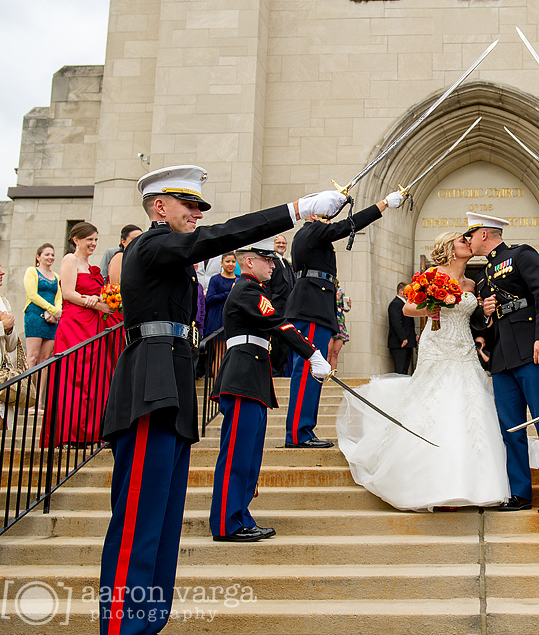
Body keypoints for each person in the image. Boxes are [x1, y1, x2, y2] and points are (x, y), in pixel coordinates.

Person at [98, 163, 346, 635]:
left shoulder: (172, 255)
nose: (195, 213)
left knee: (165, 523)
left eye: (197, 206)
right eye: (187, 205)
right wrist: (295, 211)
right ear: (158, 207)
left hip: (170, 379)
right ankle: (122, 628)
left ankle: (147, 623)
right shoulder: (151, 244)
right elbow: (217, 237)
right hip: (150, 381)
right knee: (138, 519)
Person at [337, 232, 510, 511]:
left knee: (470, 406)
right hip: (437, 346)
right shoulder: (432, 275)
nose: (468, 243)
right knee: (436, 404)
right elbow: (407, 308)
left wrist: (486, 312)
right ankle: (432, 481)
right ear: (449, 248)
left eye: (468, 240)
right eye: (462, 241)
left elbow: (476, 322)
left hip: (463, 348)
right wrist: (431, 308)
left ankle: (473, 482)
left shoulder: (472, 282)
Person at [210, 240, 322, 541]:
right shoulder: (248, 290)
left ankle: (240, 515)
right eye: (266, 261)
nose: (272, 266)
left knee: (248, 457)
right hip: (243, 377)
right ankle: (226, 523)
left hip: (253, 377)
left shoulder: (253, 290)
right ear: (249, 262)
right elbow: (278, 324)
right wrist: (312, 353)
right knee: (237, 455)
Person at [467, 212, 539, 513]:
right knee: (511, 428)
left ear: (484, 234)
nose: (467, 241)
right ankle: (520, 492)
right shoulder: (483, 277)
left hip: (532, 349)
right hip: (502, 359)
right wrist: (484, 312)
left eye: (470, 235)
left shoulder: (521, 255)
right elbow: (483, 323)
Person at [283, 192, 401, 449]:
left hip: (315, 305)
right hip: (311, 307)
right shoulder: (312, 230)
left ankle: (302, 431)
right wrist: (382, 204)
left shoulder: (311, 234)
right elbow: (348, 225)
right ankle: (299, 434)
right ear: (313, 214)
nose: (328, 219)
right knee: (307, 371)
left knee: (309, 371)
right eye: (325, 213)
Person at [44, 222, 113, 447]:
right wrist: (92, 303)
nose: (93, 243)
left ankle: (90, 432)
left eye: (95, 239)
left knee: (93, 377)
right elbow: (68, 293)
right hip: (74, 324)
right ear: (76, 240)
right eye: (89, 240)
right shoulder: (69, 260)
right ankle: (68, 433)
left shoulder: (90, 266)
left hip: (93, 324)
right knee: (72, 375)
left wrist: (104, 301)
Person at [0, 250, 19, 445]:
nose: (2, 272)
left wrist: (8, 326)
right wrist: (3, 325)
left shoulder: (3, 301)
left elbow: (11, 346)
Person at [23, 243, 62, 368]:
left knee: (45, 359)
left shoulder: (56, 276)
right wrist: (52, 310)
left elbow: (59, 297)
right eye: (47, 254)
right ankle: (29, 387)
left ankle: (40, 388)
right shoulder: (32, 271)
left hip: (51, 320)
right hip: (35, 316)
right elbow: (32, 295)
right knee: (32, 357)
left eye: (52, 255)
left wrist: (57, 313)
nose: (50, 257)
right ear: (38, 257)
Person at [268, 234, 296, 377]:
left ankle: (283, 371)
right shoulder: (271, 262)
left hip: (287, 309)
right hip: (276, 307)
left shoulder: (286, 262)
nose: (281, 245)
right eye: (278, 242)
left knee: (285, 341)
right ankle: (274, 371)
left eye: (284, 243)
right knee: (276, 342)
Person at [204, 252, 238, 337]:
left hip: (233, 318)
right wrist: (229, 293)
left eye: (233, 261)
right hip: (217, 318)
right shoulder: (215, 279)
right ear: (222, 263)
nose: (231, 264)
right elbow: (210, 298)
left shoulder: (239, 279)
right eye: (227, 261)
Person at [387, 282, 416, 374]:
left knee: (405, 370)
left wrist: (413, 335)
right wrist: (403, 338)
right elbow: (396, 323)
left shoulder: (404, 304)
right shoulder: (395, 304)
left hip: (407, 342)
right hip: (399, 343)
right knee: (400, 370)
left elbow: (408, 324)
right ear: (401, 291)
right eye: (408, 291)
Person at [327, 284, 351, 371]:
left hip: (340, 324)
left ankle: (333, 375)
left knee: (335, 352)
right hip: (330, 323)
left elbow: (346, 308)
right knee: (328, 352)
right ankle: (324, 375)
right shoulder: (327, 291)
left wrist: (348, 305)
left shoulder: (341, 292)